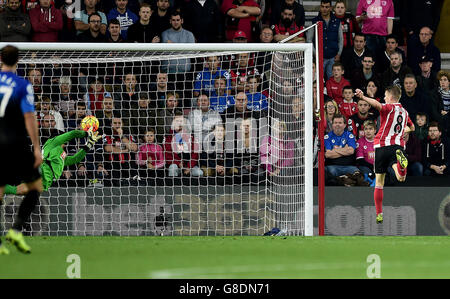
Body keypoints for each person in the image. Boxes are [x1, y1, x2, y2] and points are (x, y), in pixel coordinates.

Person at [0, 45, 42, 255]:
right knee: (35, 187)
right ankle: (16, 230)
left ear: (1, 60)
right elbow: (29, 117)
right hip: (15, 143)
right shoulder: (22, 84)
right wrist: (36, 148)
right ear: (18, 61)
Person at [355, 85, 415, 224]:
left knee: (379, 183)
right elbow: (412, 127)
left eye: (385, 96)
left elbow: (377, 105)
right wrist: (405, 131)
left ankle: (379, 213)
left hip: (381, 146)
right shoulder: (405, 112)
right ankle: (401, 166)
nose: (384, 98)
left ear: (391, 97)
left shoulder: (389, 107)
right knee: (401, 178)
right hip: (397, 146)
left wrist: (363, 97)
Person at [310, 0, 343, 80]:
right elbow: (309, 39)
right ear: (320, 7)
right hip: (319, 58)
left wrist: (339, 54)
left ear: (331, 8)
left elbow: (341, 39)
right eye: (322, 6)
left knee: (332, 81)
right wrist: (316, 54)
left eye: (327, 7)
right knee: (317, 80)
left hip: (333, 57)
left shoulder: (337, 21)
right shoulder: (314, 21)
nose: (324, 9)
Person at [164, 112, 203, 177]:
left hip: (189, 165)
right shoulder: (168, 138)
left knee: (199, 173)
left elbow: (195, 154)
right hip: (176, 164)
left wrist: (189, 166)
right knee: (172, 169)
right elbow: (167, 155)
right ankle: (173, 186)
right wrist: (178, 162)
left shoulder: (191, 136)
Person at [431, 70, 450, 135]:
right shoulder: (434, 93)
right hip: (439, 122)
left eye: (445, 80)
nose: (442, 82)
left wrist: (447, 114)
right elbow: (434, 111)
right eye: (441, 80)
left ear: (449, 82)